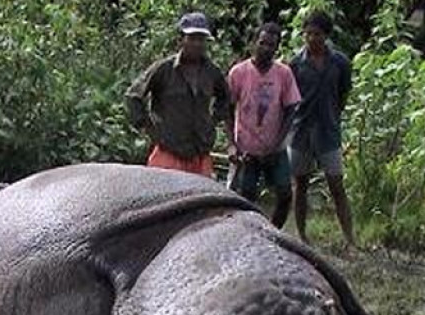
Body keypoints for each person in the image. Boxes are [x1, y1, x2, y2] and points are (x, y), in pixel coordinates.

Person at [126, 12, 234, 177]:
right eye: (192, 38)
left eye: (201, 39)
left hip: (200, 152)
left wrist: (212, 121)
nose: (197, 44)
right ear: (181, 40)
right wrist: (149, 129)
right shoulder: (163, 70)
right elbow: (133, 96)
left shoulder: (212, 72)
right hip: (169, 152)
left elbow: (225, 98)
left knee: (201, 201)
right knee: (164, 198)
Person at [288, 11, 356, 246]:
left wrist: (333, 116)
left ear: (326, 35)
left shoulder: (340, 63)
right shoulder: (296, 63)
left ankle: (349, 238)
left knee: (337, 185)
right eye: (308, 34)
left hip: (328, 130)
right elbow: (290, 97)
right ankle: (301, 236)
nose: (312, 39)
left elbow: (343, 94)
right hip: (301, 130)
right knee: (301, 186)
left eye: (317, 34)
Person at [227, 22, 301, 227]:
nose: (266, 49)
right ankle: (244, 233)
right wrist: (232, 144)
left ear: (277, 48)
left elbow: (290, 110)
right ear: (254, 43)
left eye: (271, 45)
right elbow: (227, 109)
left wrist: (278, 143)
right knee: (245, 196)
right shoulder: (238, 73)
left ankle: (274, 232)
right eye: (262, 43)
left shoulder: (283, 74)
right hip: (246, 148)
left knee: (285, 194)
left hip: (274, 148)